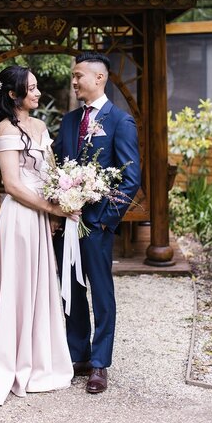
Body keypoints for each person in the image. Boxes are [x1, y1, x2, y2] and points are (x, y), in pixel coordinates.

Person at [0, 65, 78, 406]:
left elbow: (52, 172)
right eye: (30, 88)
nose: (37, 93)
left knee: (41, 285)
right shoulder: (6, 128)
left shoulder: (41, 126)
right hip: (19, 219)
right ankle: (11, 359)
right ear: (14, 95)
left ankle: (39, 357)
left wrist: (63, 198)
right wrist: (54, 209)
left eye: (37, 86)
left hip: (42, 216)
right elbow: (13, 185)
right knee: (19, 286)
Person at [53, 52, 141, 395]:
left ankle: (101, 363)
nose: (74, 82)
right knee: (70, 289)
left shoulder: (120, 121)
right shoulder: (70, 120)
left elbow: (130, 179)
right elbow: (59, 166)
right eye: (74, 77)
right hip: (68, 223)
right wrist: (59, 207)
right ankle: (79, 354)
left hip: (96, 225)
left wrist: (105, 222)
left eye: (79, 76)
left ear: (99, 78)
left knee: (101, 292)